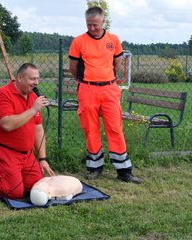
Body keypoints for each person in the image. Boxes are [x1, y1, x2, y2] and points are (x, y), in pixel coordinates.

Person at [68, 6, 141, 184]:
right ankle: (95, 167)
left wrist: (107, 79)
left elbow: (116, 64)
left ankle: (124, 171)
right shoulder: (78, 41)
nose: (91, 28)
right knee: (90, 129)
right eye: (88, 25)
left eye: (95, 24)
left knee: (115, 128)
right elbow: (73, 68)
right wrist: (85, 81)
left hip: (109, 89)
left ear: (103, 21)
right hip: (87, 90)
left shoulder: (113, 40)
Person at [0, 63, 55, 199]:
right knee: (13, 192)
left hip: (27, 155)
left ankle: (4, 174)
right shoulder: (2, 94)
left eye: (38, 79)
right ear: (20, 78)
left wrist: (43, 158)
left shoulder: (33, 97)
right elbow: (7, 125)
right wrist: (33, 110)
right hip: (5, 151)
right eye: (32, 79)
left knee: (35, 189)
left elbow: (38, 129)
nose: (36, 83)